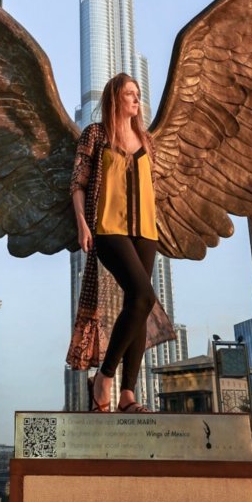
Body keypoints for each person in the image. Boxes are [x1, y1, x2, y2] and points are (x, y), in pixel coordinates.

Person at [68, 72, 171, 413]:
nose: (136, 98)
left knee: (138, 308)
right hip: (109, 228)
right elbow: (78, 183)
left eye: (138, 94)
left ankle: (128, 395)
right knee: (144, 295)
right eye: (129, 93)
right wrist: (83, 224)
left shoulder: (146, 139)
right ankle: (105, 376)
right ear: (115, 98)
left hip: (146, 232)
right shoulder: (96, 134)